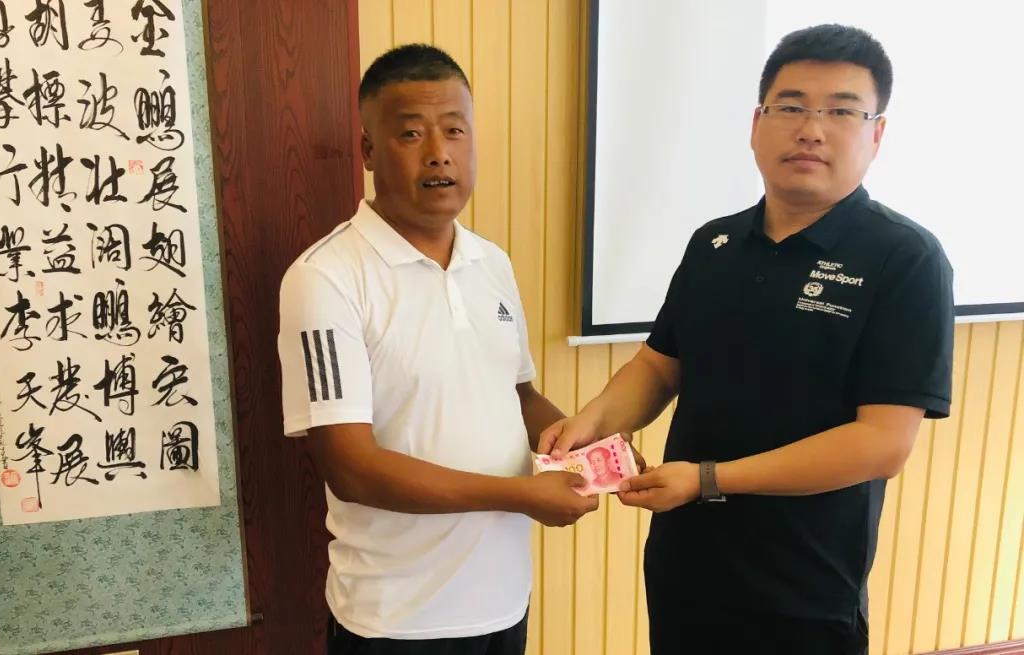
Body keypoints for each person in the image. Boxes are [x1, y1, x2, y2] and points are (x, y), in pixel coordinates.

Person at [539, 24, 953, 654]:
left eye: (841, 111)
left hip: (805, 587)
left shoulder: (906, 258)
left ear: (877, 134)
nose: (811, 129)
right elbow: (659, 366)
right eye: (791, 107)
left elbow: (882, 443)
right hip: (685, 565)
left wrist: (708, 479)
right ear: (757, 124)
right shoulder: (714, 243)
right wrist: (591, 421)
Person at [278, 44, 598, 655]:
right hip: (397, 621)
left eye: (455, 130)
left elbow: (517, 395)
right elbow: (351, 468)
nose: (439, 153)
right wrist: (521, 495)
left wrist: (590, 450)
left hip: (504, 604)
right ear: (368, 150)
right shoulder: (325, 278)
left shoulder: (492, 263)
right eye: (410, 133)